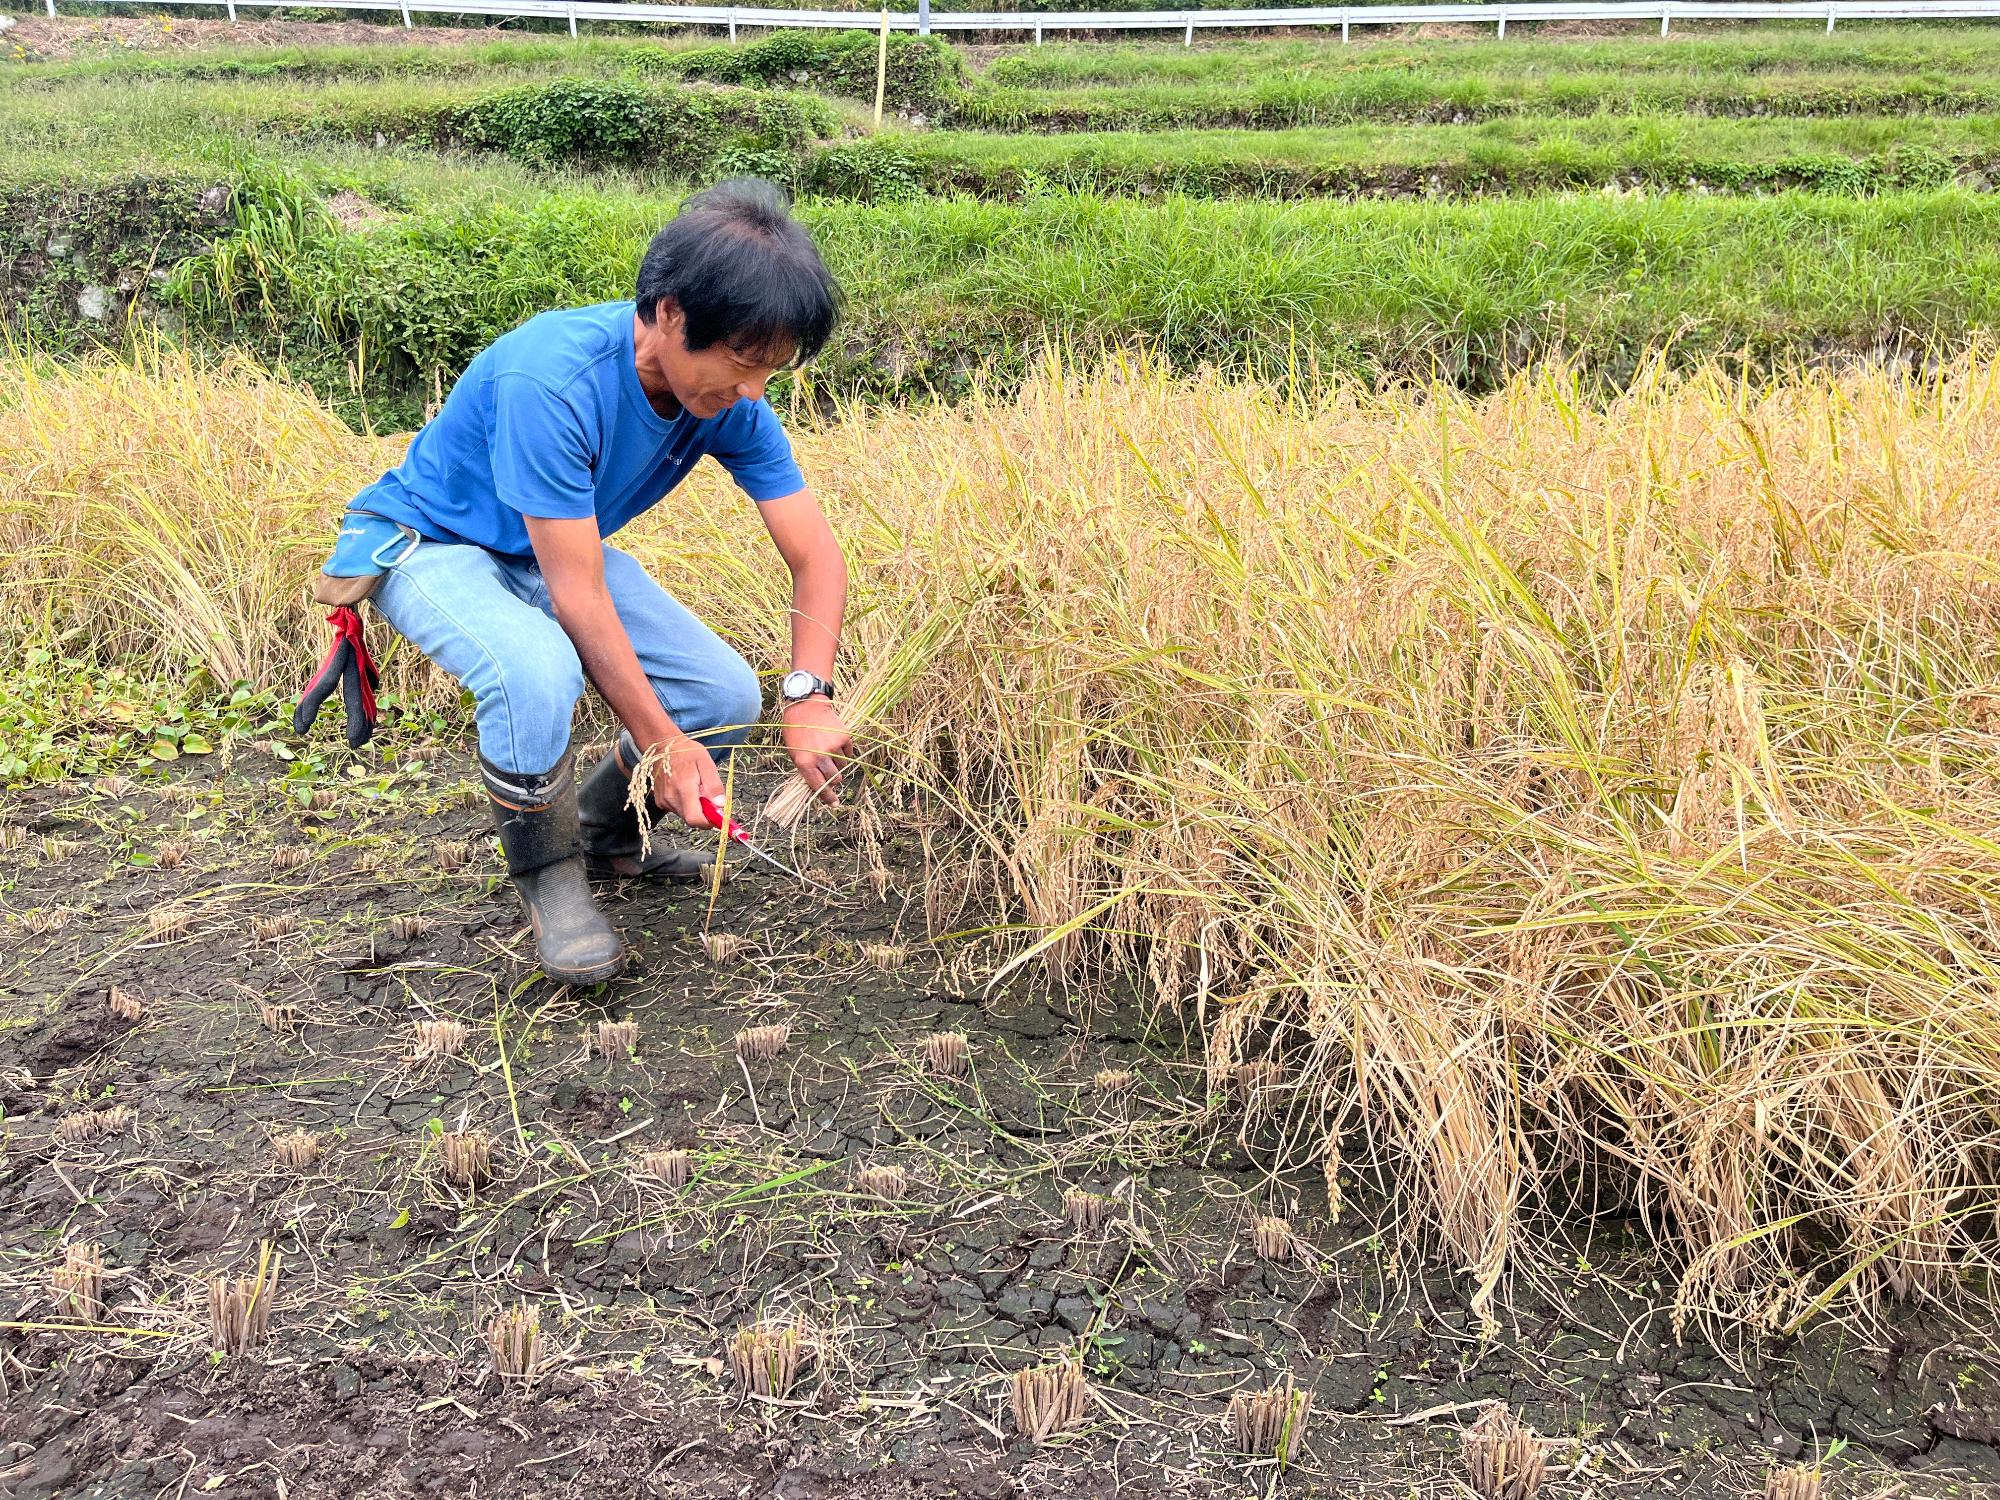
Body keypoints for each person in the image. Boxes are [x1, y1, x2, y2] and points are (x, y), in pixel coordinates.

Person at [331, 179, 854, 984]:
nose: (753, 393)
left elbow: (815, 554)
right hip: (433, 544)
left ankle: (606, 829)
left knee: (720, 695)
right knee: (534, 668)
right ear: (672, 314)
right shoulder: (553, 380)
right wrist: (664, 742)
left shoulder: (732, 405)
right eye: (744, 364)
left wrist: (809, 693)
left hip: (551, 548)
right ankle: (550, 879)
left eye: (771, 372)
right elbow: (578, 599)